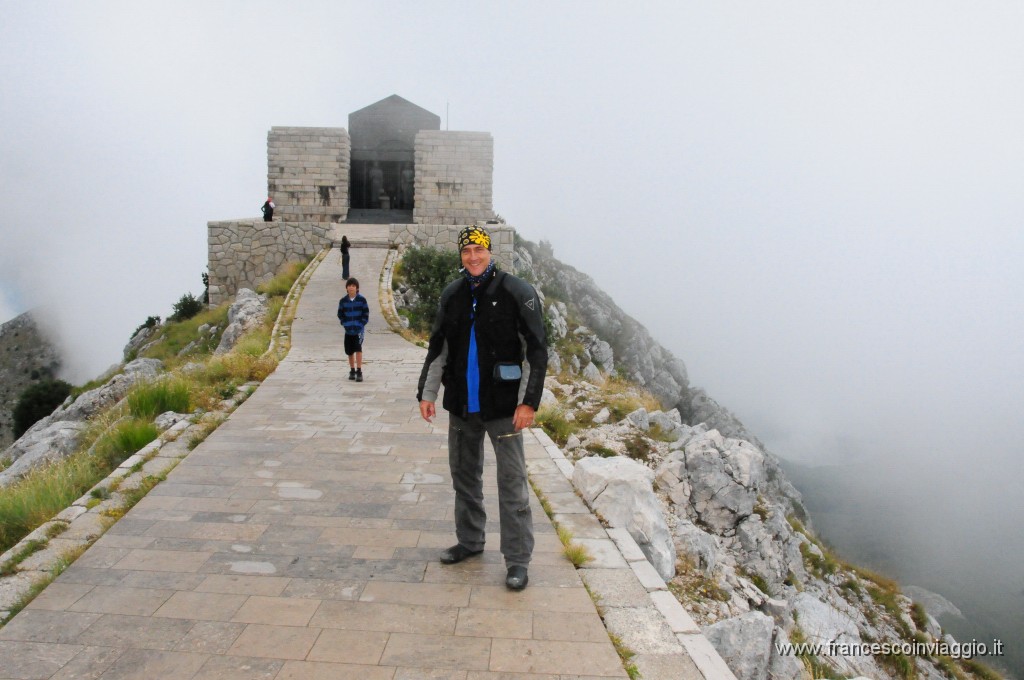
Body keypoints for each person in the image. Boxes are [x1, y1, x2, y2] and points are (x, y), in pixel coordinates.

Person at [416, 225, 547, 591]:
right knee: (464, 477)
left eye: (479, 250)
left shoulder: (516, 292)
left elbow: (537, 352)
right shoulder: (452, 294)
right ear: (461, 255)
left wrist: (528, 402)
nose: (473, 257)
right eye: (467, 251)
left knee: (512, 484)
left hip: (504, 407)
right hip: (462, 404)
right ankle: (471, 541)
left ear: (490, 252)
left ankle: (518, 560)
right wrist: (427, 394)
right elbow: (438, 349)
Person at [337, 277, 369, 382]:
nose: (351, 288)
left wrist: (361, 324)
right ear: (346, 288)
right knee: (349, 352)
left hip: (358, 330)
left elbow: (365, 314)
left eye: (353, 286)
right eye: (349, 286)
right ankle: (352, 370)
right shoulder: (343, 301)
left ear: (357, 288)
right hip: (348, 330)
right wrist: (344, 323)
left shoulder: (362, 300)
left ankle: (359, 371)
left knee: (358, 350)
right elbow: (340, 314)